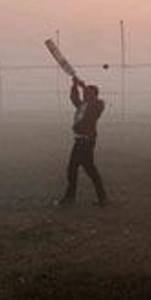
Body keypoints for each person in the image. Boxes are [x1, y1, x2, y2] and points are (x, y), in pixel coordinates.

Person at [59, 76, 108, 207]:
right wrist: (75, 86)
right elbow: (74, 98)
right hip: (81, 141)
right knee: (90, 170)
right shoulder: (83, 105)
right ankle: (102, 198)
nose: (85, 94)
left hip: (86, 142)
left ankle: (70, 198)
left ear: (94, 95)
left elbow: (95, 103)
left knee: (72, 168)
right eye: (85, 93)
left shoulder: (97, 105)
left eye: (87, 93)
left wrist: (83, 86)